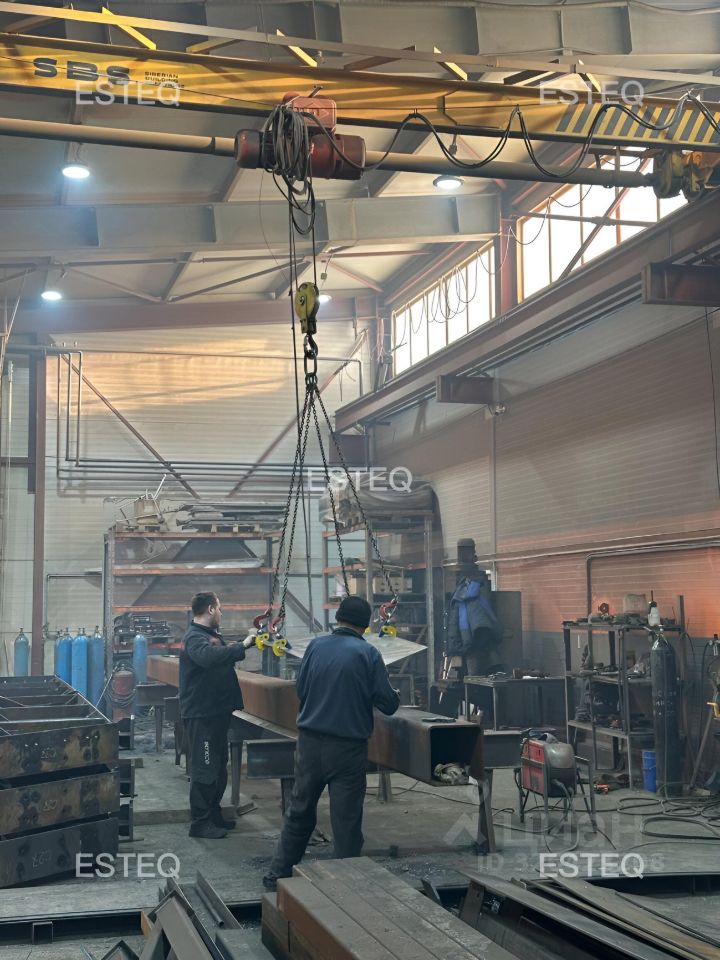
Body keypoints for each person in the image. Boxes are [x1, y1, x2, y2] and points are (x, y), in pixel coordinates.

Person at [263, 596, 400, 889]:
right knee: (346, 821)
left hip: (309, 745)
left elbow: (302, 689)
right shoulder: (368, 654)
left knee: (299, 812)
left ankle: (277, 876)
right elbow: (388, 705)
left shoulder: (315, 647)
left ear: (338, 619)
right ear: (365, 624)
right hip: (347, 750)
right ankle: (346, 887)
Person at [179, 592, 255, 839]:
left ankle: (213, 815)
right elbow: (208, 658)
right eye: (220, 609)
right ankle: (200, 824)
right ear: (211, 609)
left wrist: (245, 644)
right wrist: (242, 646)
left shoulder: (209, 635)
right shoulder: (195, 638)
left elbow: (219, 656)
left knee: (218, 769)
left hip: (215, 713)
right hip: (202, 715)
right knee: (205, 769)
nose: (221, 613)